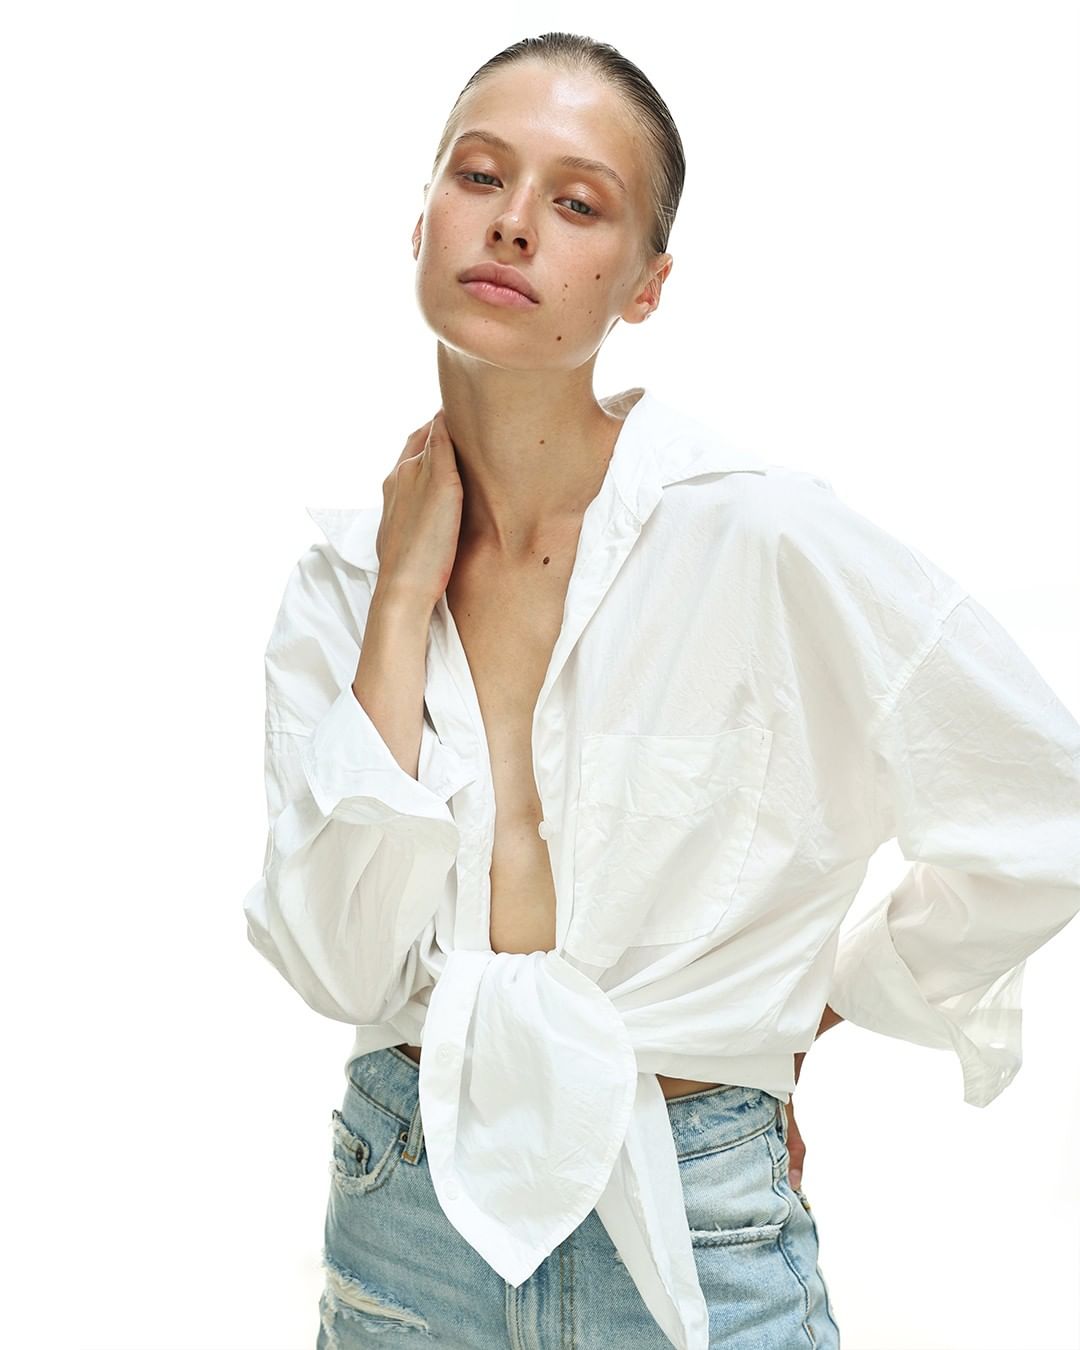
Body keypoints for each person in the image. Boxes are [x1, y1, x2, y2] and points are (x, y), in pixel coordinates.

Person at [241, 31, 1080, 1350]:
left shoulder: (761, 537)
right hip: (409, 1223)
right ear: (420, 219)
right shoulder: (343, 586)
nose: (513, 222)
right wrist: (402, 600)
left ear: (647, 284)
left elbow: (1044, 807)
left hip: (697, 1211)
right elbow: (342, 961)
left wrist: (821, 1005)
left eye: (579, 203)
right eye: (479, 175)